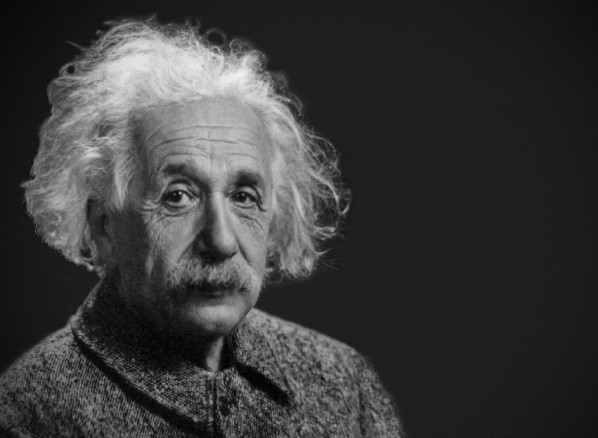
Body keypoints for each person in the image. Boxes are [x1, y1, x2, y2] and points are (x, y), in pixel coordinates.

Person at [0, 19, 402, 437]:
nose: (221, 241)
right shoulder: (26, 414)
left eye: (243, 196)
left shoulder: (345, 382)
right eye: (178, 196)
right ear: (104, 226)